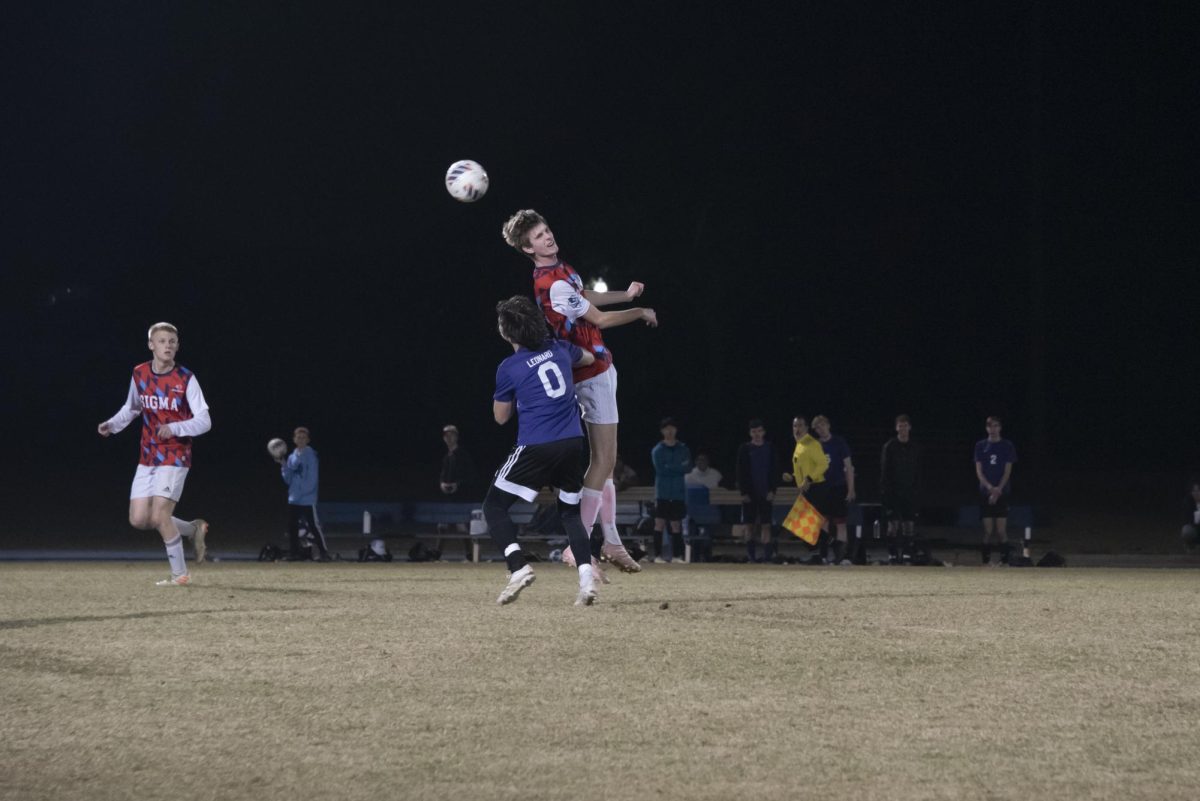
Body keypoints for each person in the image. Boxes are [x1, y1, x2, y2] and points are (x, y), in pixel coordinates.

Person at [502, 209, 657, 574]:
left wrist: (624, 293)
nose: (547, 237)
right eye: (539, 236)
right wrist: (638, 310)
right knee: (603, 461)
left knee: (605, 462)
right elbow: (598, 320)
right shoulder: (552, 283)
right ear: (527, 247)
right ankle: (580, 545)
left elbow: (585, 297)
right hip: (589, 371)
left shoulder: (562, 270)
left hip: (596, 366)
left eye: (547, 230)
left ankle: (614, 543)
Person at [483, 295, 602, 607]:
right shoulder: (560, 349)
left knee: (493, 507)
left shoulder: (509, 367)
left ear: (507, 333)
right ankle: (587, 581)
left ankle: (518, 566)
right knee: (569, 513)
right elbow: (588, 358)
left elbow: (500, 417)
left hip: (537, 444)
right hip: (573, 443)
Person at [97, 322, 212, 585]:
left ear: (177, 346)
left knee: (160, 515)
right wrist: (112, 425)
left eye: (172, 341)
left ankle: (180, 575)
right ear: (151, 345)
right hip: (147, 456)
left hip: (175, 454)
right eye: (162, 341)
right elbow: (132, 408)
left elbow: (205, 421)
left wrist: (174, 427)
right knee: (139, 519)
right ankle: (193, 528)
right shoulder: (139, 374)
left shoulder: (185, 378)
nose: (168, 345)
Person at [273, 426, 333, 561]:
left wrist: (300, 494)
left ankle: (324, 553)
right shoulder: (292, 456)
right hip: (294, 499)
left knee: (314, 526)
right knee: (292, 528)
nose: (300, 440)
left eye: (303, 438)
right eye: (298, 437)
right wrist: (283, 464)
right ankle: (294, 554)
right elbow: (288, 479)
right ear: (294, 439)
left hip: (307, 499)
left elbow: (312, 480)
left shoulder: (311, 456)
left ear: (308, 440)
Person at [782, 416, 834, 563]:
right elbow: (804, 468)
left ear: (806, 428)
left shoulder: (812, 443)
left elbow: (823, 464)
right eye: (794, 426)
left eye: (800, 426)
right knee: (803, 527)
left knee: (806, 524)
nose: (797, 429)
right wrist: (792, 477)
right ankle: (825, 550)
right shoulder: (800, 444)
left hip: (817, 487)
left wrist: (809, 478)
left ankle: (825, 551)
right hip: (807, 489)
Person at [974, 416, 1018, 565]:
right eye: (990, 426)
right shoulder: (980, 445)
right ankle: (986, 562)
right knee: (987, 531)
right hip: (985, 492)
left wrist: (998, 489)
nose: (993, 429)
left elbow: (1007, 471)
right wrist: (990, 488)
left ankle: (1004, 561)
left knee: (1001, 531)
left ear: (1000, 428)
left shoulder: (1007, 445)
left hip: (1002, 492)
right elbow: (979, 471)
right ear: (986, 428)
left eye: (996, 426)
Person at [813, 415, 856, 564]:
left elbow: (848, 467)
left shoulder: (839, 442)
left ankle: (842, 556)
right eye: (817, 427)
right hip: (822, 489)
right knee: (822, 523)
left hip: (839, 487)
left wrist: (851, 489)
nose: (821, 429)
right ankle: (823, 555)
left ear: (828, 425)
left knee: (840, 523)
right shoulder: (815, 445)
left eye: (823, 425)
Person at [735, 419, 778, 562]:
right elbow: (740, 472)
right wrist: (743, 493)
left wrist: (773, 490)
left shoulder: (770, 447)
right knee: (749, 525)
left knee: (766, 524)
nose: (757, 434)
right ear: (750, 433)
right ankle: (751, 557)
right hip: (749, 493)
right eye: (754, 432)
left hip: (766, 492)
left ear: (764, 432)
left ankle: (767, 557)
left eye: (759, 431)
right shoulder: (744, 449)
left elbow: (774, 470)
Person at [880, 414, 921, 564]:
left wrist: (916, 490)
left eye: (905, 426)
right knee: (892, 526)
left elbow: (918, 471)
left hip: (910, 492)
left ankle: (907, 553)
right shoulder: (889, 446)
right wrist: (885, 492)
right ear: (896, 428)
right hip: (892, 493)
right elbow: (884, 471)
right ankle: (892, 554)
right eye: (900, 426)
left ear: (909, 427)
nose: (903, 429)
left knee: (909, 525)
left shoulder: (915, 447)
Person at [651, 417, 692, 563]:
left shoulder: (683, 448)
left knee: (676, 525)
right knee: (659, 523)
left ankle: (676, 556)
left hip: (678, 492)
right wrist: (677, 468)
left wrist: (672, 467)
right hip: (662, 492)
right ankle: (657, 556)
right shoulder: (657, 450)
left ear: (676, 430)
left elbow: (687, 467)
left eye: (672, 428)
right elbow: (661, 470)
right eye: (666, 428)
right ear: (662, 431)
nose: (669, 431)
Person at [439, 424, 479, 497]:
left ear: (457, 437)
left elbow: (472, 476)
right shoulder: (445, 457)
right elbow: (442, 476)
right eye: (446, 435)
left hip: (463, 497)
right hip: (447, 497)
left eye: (451, 435)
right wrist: (442, 483)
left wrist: (458, 485)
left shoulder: (464, 455)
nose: (448, 438)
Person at [1181, 478, 1200, 552]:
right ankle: (1191, 546)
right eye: (1194, 491)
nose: (1196, 493)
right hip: (1194, 527)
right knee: (1186, 530)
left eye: (1198, 490)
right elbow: (1187, 519)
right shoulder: (1188, 502)